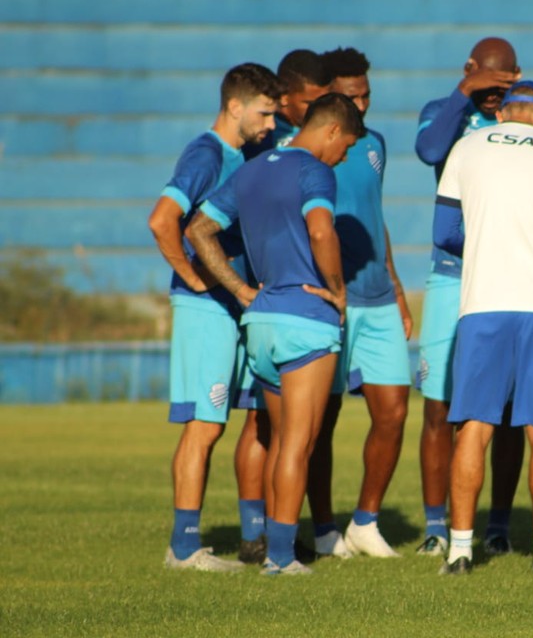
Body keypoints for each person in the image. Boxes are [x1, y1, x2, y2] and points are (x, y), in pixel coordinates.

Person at [187, 93, 365, 575]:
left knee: (279, 437)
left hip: (261, 321)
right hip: (305, 320)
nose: (343, 156)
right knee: (297, 446)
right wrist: (337, 290)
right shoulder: (314, 171)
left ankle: (269, 546)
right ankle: (281, 559)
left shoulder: (253, 167)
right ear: (331, 131)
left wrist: (242, 290)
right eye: (346, 146)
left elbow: (199, 230)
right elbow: (322, 231)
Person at [433, 81, 533, 575]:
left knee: (473, 427)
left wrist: (485, 248)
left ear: (500, 115)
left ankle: (459, 550)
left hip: (482, 302)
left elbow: (443, 234)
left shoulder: (466, 146)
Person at [147, 62, 283, 572]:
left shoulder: (242, 155)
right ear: (234, 106)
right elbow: (163, 220)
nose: (271, 125)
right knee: (203, 426)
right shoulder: (206, 154)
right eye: (265, 113)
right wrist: (195, 277)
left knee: (229, 421)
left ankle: (246, 538)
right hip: (205, 307)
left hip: (233, 306)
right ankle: (183, 549)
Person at [412, 37, 529, 556]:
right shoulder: (444, 111)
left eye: (503, 86)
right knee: (439, 407)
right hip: (451, 275)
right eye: (488, 84)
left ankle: (499, 526)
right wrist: (465, 92)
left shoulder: (525, 118)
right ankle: (437, 527)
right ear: (470, 71)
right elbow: (429, 151)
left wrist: (517, 106)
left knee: (504, 412)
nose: (492, 97)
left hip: (505, 278)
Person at [312, 46, 413, 558]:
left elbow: (375, 215)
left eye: (366, 93)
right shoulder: (303, 148)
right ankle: (324, 526)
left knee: (394, 410)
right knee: (319, 420)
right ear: (329, 96)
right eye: (351, 95)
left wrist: (395, 285)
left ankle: (366, 521)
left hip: (377, 298)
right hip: (333, 302)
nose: (362, 104)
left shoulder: (374, 143)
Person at [243, 49, 332, 158]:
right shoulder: (259, 136)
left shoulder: (334, 133)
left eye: (326, 101)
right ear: (284, 97)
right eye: (310, 103)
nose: (320, 110)